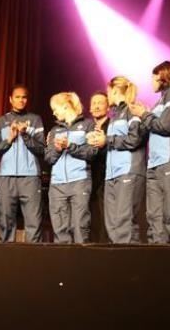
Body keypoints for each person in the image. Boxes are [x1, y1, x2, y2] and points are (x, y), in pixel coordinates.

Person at [130, 61, 170, 244]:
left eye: (153, 76)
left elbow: (166, 125)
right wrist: (145, 116)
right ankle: (158, 261)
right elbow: (153, 126)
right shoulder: (161, 99)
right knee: (154, 217)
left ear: (163, 75)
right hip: (155, 164)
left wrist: (144, 115)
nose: (151, 81)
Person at [87, 76, 146, 244]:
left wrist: (107, 140)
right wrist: (98, 141)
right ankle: (120, 264)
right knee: (112, 224)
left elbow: (135, 139)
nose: (108, 96)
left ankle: (130, 265)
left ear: (114, 90)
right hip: (112, 175)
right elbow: (112, 142)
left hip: (128, 171)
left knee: (124, 223)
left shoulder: (131, 110)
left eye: (108, 92)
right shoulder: (114, 115)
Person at [0, 85, 45, 243]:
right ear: (10, 99)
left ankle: (34, 260)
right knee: (6, 222)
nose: (21, 100)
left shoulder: (35, 119)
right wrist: (10, 138)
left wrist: (25, 133)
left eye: (24, 97)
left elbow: (41, 149)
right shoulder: (1, 121)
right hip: (6, 177)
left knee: (33, 222)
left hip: (30, 177)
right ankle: (6, 260)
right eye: (17, 97)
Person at [45, 92, 98, 243]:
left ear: (66, 106)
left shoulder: (88, 125)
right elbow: (48, 158)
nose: (53, 112)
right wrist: (57, 148)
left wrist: (70, 146)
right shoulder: (54, 130)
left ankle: (82, 263)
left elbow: (92, 152)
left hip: (79, 181)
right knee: (60, 228)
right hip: (57, 185)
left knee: (80, 226)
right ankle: (62, 264)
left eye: (55, 108)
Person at [88, 91, 110, 243]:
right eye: (94, 103)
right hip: (89, 180)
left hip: (107, 179)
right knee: (90, 221)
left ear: (108, 106)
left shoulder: (113, 126)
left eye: (100, 103)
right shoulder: (85, 128)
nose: (96, 106)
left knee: (105, 220)